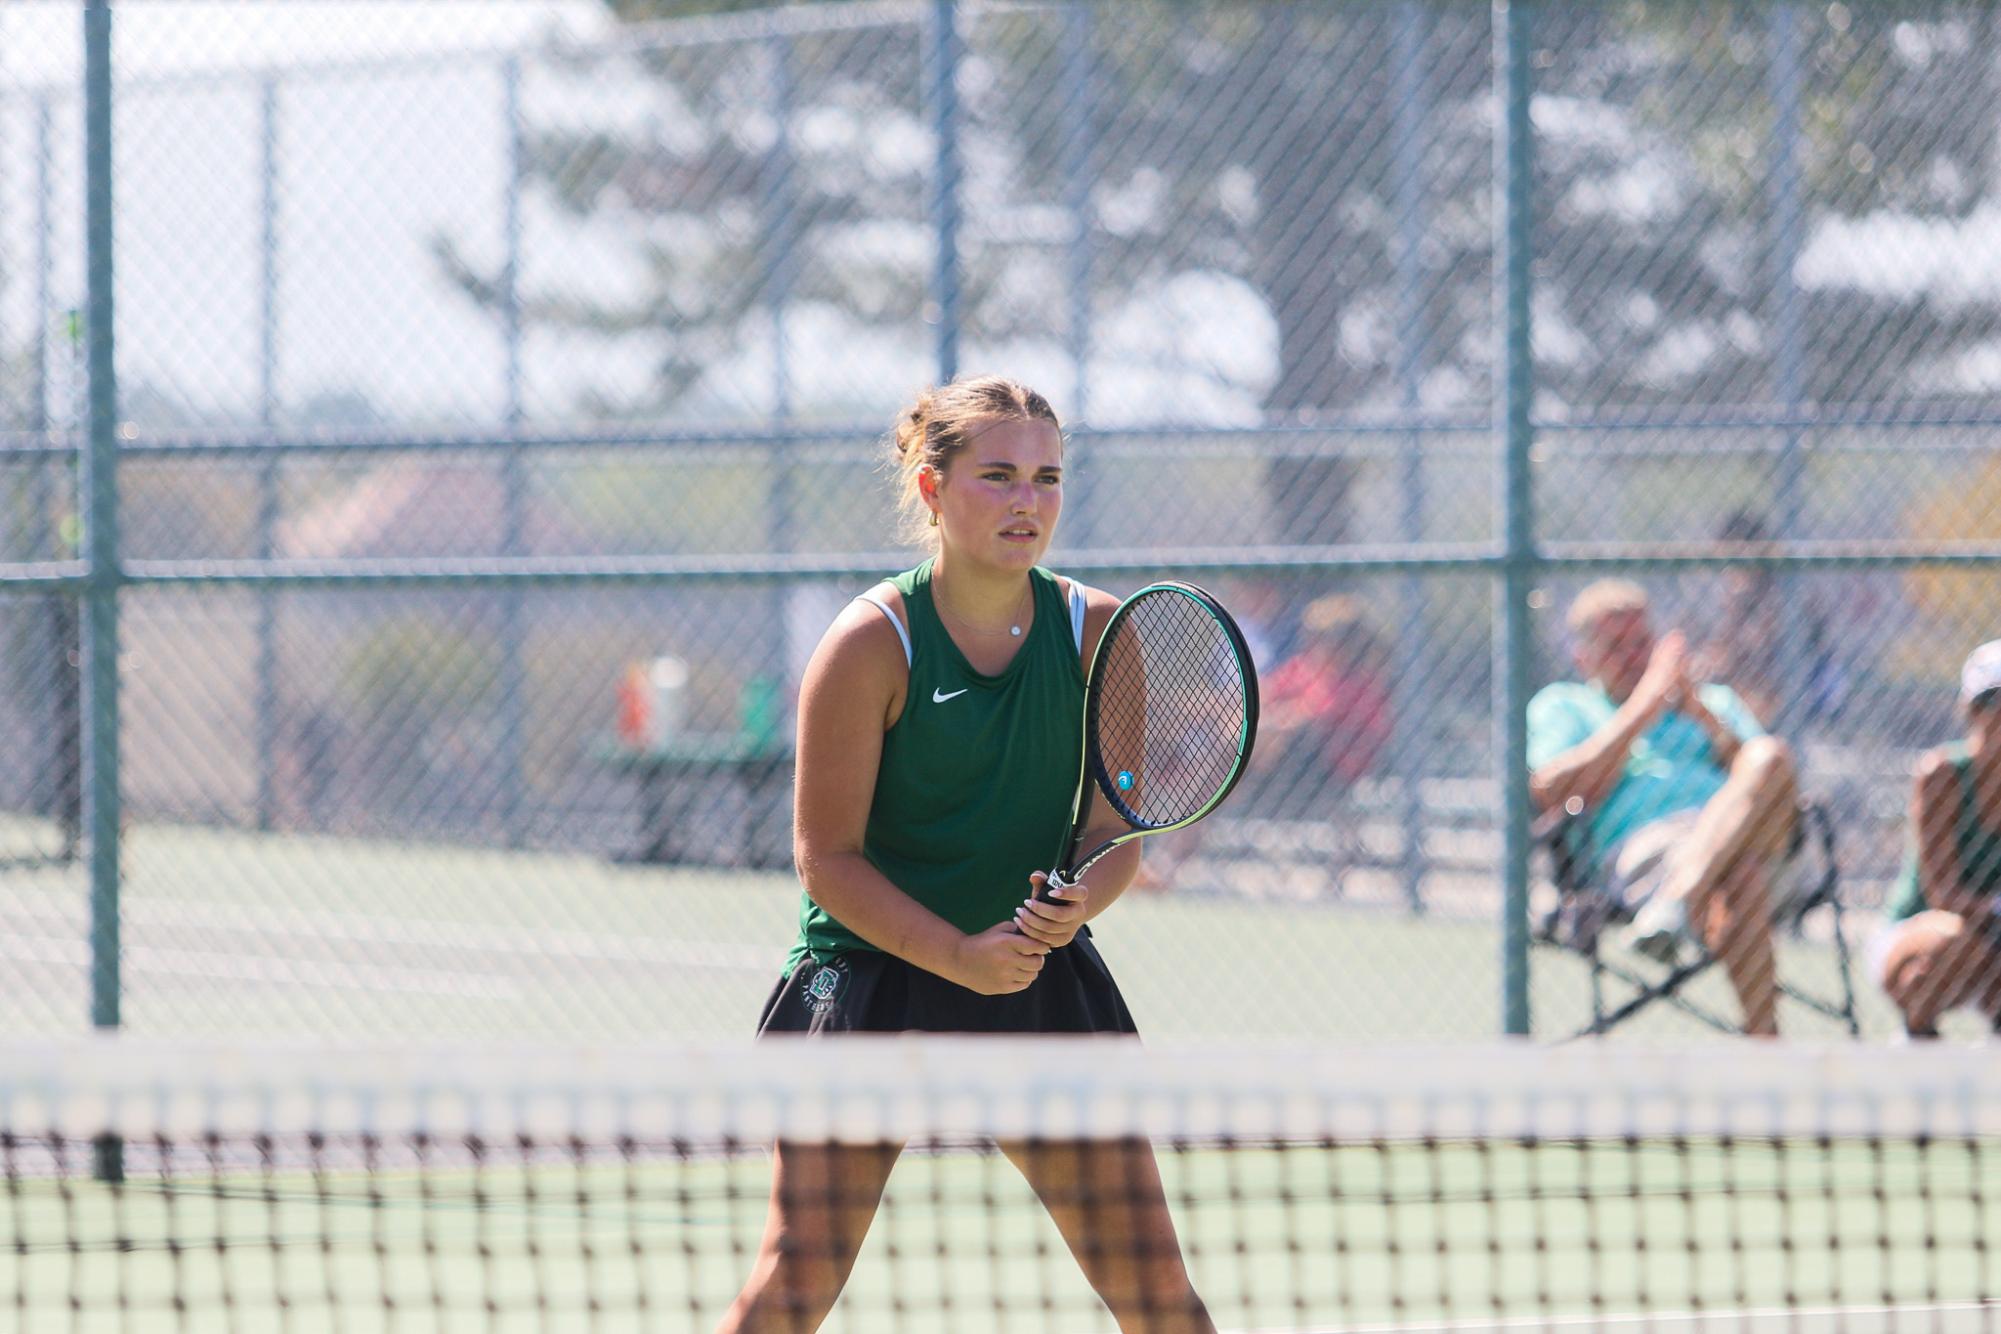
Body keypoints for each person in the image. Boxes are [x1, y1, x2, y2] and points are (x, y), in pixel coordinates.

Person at [719, 375, 1213, 1334]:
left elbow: (1113, 835)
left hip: (1038, 983)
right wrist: (954, 955)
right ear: (931, 486)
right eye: (997, 476)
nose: (1027, 502)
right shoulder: (870, 643)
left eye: (1046, 478)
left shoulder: (1099, 632)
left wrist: (1080, 907)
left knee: (1156, 1292)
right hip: (868, 981)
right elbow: (827, 860)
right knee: (796, 1280)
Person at [1527, 579, 1799, 1037]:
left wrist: (1700, 714)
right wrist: (1643, 708)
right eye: (1617, 647)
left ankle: (1680, 899)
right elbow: (1552, 789)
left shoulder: (1713, 701)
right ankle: (1767, 1052)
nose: (1635, 657)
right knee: (1739, 874)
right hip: (1649, 851)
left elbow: (1773, 782)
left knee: (1767, 755)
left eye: (1642, 644)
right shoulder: (1565, 707)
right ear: (1582, 657)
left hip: (1758, 844)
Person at [1870, 640, 2001, 1039]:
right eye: (1994, 704)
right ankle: (1916, 1037)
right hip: (1921, 933)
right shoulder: (1941, 774)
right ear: (1971, 710)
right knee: (1955, 941)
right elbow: (1944, 894)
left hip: (1992, 938)